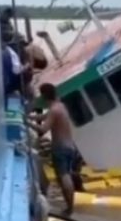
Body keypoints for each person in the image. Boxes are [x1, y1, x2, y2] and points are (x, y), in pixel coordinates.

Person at [28, 84, 81, 214]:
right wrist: (32, 117)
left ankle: (70, 208)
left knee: (64, 177)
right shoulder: (60, 106)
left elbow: (43, 129)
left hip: (60, 148)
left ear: (44, 96)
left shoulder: (54, 110)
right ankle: (70, 206)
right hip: (70, 147)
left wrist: (27, 122)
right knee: (65, 175)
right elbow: (45, 117)